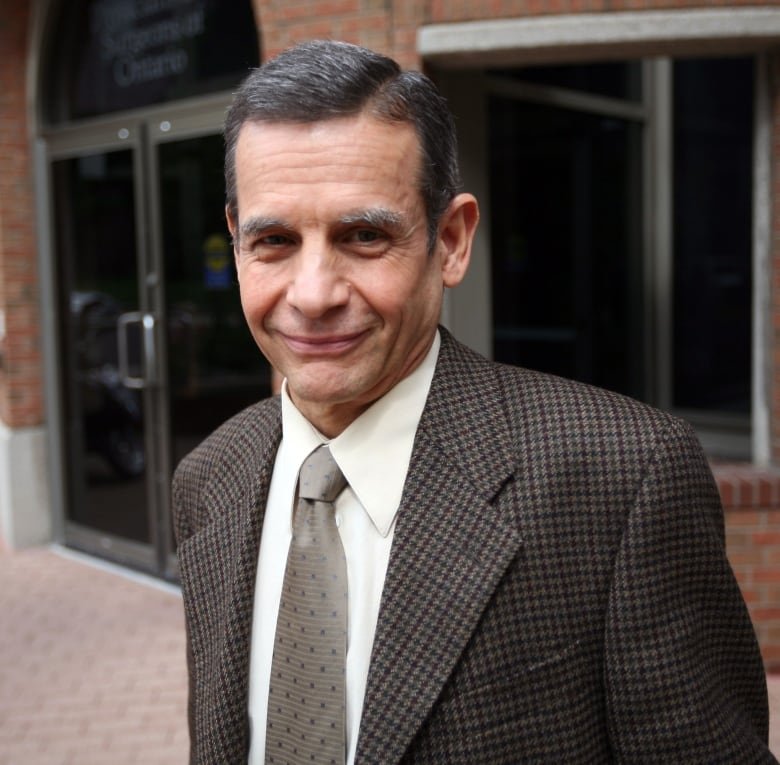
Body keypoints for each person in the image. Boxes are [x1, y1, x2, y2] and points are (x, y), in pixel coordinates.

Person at [172, 39, 775, 765]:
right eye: (273, 240)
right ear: (237, 244)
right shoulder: (209, 479)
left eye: (364, 236)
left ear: (451, 241)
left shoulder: (621, 481)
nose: (312, 294)